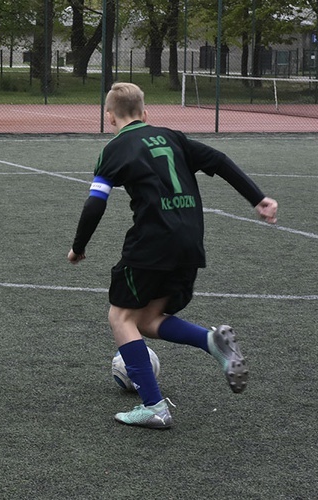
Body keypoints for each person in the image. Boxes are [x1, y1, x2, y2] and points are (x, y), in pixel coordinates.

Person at [67, 83, 278, 429]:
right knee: (147, 320)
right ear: (145, 113)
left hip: (152, 243)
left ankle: (153, 406)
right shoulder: (173, 137)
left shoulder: (114, 149)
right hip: (190, 241)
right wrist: (258, 198)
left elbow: (95, 203)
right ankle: (211, 341)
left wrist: (79, 247)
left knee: (120, 318)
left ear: (109, 117)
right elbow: (220, 161)